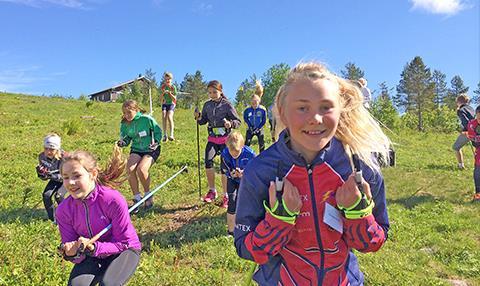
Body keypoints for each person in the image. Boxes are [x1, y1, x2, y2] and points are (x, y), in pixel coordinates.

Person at [234, 62, 391, 285]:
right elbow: (244, 247)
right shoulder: (261, 170)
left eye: (326, 107)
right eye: (302, 107)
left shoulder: (359, 165)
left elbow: (374, 242)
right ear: (282, 111)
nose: (315, 119)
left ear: (340, 109)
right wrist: (279, 219)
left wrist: (358, 213)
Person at [56, 149, 141, 285]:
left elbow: (123, 243)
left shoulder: (113, 200)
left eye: (76, 176)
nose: (71, 183)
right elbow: (75, 253)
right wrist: (72, 253)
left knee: (107, 284)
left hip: (124, 249)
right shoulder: (63, 210)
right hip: (92, 254)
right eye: (66, 177)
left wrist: (95, 247)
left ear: (93, 174)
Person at [194, 80, 241, 207]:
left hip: (225, 139)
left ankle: (226, 195)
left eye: (215, 92)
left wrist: (230, 124)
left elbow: (237, 121)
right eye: (210, 92)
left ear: (221, 91)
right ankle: (212, 191)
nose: (212, 95)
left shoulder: (227, 104)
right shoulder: (207, 105)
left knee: (223, 167)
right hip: (212, 139)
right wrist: (198, 117)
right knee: (208, 161)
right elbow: (203, 120)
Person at [117, 99, 162, 212]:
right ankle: (137, 198)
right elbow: (126, 138)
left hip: (151, 149)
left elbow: (158, 131)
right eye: (124, 113)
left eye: (129, 112)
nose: (126, 115)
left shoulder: (146, 119)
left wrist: (156, 141)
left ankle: (148, 195)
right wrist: (123, 142)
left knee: (141, 170)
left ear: (136, 110)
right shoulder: (125, 123)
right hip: (137, 148)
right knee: (130, 169)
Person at [220, 132, 256, 235]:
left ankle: (247, 227)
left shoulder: (250, 154)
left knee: (245, 203)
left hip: (245, 181)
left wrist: (244, 173)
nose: (234, 155)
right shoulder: (225, 153)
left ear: (242, 146)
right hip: (232, 180)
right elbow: (224, 168)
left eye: (237, 152)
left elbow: (256, 170)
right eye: (232, 152)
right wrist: (231, 173)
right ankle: (230, 231)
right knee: (232, 201)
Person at [36, 133, 67, 222]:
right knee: (46, 195)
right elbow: (45, 177)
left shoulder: (64, 158)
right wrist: (42, 175)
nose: (48, 152)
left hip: (68, 180)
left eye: (52, 149)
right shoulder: (42, 157)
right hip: (55, 179)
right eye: (46, 148)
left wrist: (51, 175)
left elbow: (67, 176)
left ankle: (67, 216)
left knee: (58, 196)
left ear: (57, 149)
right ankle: (53, 219)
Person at [243, 81, 267, 152]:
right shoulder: (247, 110)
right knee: (247, 142)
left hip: (259, 128)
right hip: (250, 128)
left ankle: (262, 156)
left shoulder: (262, 110)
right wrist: (250, 126)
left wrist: (259, 128)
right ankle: (245, 154)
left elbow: (264, 120)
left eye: (255, 102)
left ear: (259, 101)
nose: (254, 104)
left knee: (261, 142)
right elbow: (245, 118)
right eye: (252, 102)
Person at [453, 94, 475, 170]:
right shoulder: (471, 109)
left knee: (456, 147)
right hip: (477, 130)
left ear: (459, 101)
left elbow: (465, 121)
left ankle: (461, 166)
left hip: (469, 131)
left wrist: (466, 130)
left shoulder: (460, 110)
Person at [466, 105, 480, 202]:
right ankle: (478, 193)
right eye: (479, 117)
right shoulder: (472, 124)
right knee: (477, 172)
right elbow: (472, 138)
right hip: (478, 151)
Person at [159, 72, 177, 142]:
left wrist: (170, 94)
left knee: (169, 116)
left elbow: (175, 99)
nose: (167, 80)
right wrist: (163, 94)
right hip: (165, 103)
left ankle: (171, 134)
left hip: (171, 103)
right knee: (163, 116)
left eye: (169, 79)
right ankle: (165, 135)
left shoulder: (173, 87)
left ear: (171, 79)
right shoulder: (163, 87)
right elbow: (160, 99)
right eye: (166, 79)